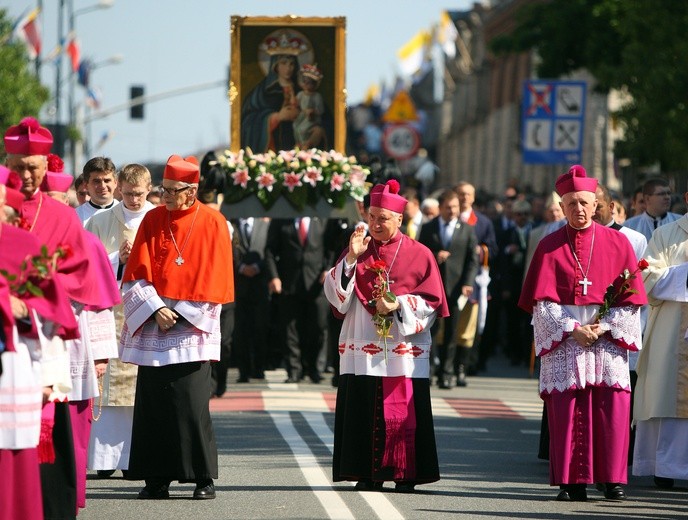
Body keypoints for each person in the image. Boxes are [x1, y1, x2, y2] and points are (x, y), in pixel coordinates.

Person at [519, 165, 646, 502]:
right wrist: (572, 329)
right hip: (567, 339)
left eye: (584, 203)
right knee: (568, 406)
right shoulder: (548, 246)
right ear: (562, 207)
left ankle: (611, 479)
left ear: (596, 205)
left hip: (606, 338)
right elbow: (541, 304)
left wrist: (603, 326)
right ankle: (572, 481)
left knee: (611, 407)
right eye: (571, 203)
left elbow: (632, 302)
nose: (579, 209)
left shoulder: (618, 243)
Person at [119, 154, 234, 500]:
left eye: (171, 190)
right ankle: (156, 478)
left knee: (191, 404)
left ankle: (203, 478)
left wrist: (179, 312)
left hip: (191, 330)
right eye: (163, 189)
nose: (164, 196)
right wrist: (156, 308)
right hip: (156, 326)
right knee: (154, 406)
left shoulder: (213, 222)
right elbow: (135, 274)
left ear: (191, 190)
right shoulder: (153, 220)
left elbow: (217, 280)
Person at [324, 179, 448, 493]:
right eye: (372, 217)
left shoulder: (420, 254)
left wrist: (399, 303)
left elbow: (432, 302)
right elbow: (336, 294)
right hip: (364, 342)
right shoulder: (359, 248)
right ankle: (367, 473)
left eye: (383, 218)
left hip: (402, 344)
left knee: (403, 407)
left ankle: (405, 472)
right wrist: (350, 259)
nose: (375, 224)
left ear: (399, 220)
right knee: (364, 404)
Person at [85, 163, 156, 477]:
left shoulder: (157, 218)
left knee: (141, 389)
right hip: (110, 312)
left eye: (139, 194)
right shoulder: (100, 221)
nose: (134, 200)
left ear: (148, 189)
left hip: (148, 312)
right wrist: (118, 259)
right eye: (128, 194)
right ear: (119, 189)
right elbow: (86, 263)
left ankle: (135, 459)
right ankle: (104, 460)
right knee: (109, 387)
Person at [633, 185, 688, 489]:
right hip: (672, 333)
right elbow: (646, 277)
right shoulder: (667, 235)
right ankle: (664, 466)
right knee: (667, 392)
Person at [419, 189, 478, 388]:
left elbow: (472, 259)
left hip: (455, 288)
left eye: (455, 207)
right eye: (448, 207)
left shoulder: (467, 229)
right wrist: (436, 255)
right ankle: (427, 372)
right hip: (433, 287)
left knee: (452, 332)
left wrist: (468, 282)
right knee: (430, 331)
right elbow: (420, 255)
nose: (452, 211)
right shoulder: (428, 228)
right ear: (440, 208)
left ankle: (446, 372)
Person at [265, 216, 330, 383]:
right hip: (289, 282)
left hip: (316, 284)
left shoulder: (321, 220)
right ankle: (294, 370)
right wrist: (274, 277)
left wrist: (328, 269)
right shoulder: (281, 220)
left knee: (317, 326)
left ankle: (313, 368)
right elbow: (270, 250)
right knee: (290, 330)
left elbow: (330, 248)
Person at [454, 182, 498, 374]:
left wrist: (481, 250)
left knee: (469, 326)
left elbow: (493, 249)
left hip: (473, 281)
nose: (464, 198)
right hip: (452, 277)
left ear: (473, 198)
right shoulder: (450, 217)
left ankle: (463, 365)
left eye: (468, 195)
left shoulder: (483, 222)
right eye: (461, 194)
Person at [232, 217, 271, 383]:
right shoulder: (232, 223)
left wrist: (257, 267)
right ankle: (244, 370)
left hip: (260, 284)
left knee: (260, 328)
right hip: (239, 286)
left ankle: (259, 368)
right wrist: (240, 267)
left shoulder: (264, 224)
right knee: (241, 331)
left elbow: (269, 251)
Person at [241, 50, 301, 152]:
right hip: (273, 148)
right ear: (275, 66)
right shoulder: (263, 92)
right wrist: (276, 117)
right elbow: (248, 120)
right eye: (283, 63)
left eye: (292, 64)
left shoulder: (303, 90)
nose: (288, 68)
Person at [75, 156, 119, 226]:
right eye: (96, 181)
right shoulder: (76, 216)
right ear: (86, 185)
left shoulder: (125, 213)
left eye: (107, 180)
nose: (102, 186)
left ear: (115, 183)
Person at [293, 63, 327, 149]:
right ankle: (299, 143)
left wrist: (312, 111)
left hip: (312, 119)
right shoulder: (301, 94)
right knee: (295, 127)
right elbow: (295, 104)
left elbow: (321, 110)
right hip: (302, 116)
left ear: (314, 84)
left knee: (302, 129)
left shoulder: (317, 96)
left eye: (310, 83)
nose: (307, 85)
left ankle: (305, 145)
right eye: (305, 82)